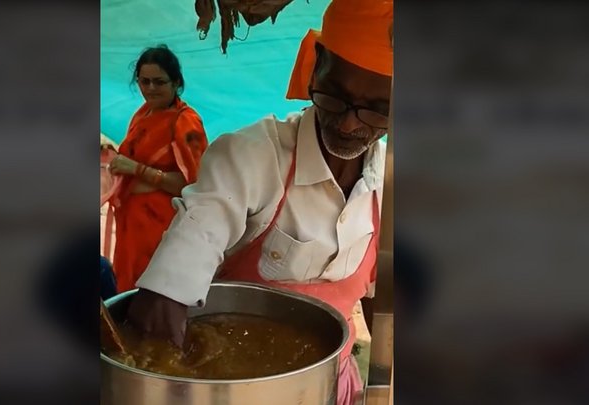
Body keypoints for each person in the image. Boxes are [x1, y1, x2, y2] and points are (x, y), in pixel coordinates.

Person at [128, 0, 392, 403]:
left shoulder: (391, 186)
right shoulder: (252, 155)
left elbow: (383, 307)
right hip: (235, 391)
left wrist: (382, 387)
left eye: (377, 110)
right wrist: (166, 297)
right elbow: (200, 227)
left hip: (332, 388)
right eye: (335, 96)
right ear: (316, 62)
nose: (348, 123)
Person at [107, 45, 209, 293]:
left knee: (151, 291)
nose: (150, 89)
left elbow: (194, 185)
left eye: (159, 82)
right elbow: (133, 156)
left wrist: (138, 170)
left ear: (176, 83)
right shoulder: (144, 112)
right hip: (132, 221)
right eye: (144, 82)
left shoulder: (185, 122)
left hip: (160, 226)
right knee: (126, 286)